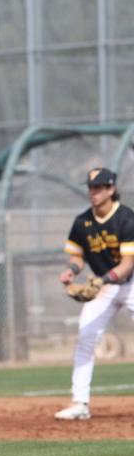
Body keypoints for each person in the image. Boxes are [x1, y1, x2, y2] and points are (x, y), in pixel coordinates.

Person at [56, 167, 134, 420]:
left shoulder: (126, 218)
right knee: (86, 336)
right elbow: (77, 256)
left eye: (99, 187)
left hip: (129, 282)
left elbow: (127, 263)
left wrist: (102, 280)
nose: (94, 192)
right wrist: (71, 270)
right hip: (105, 287)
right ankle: (80, 403)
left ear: (111, 189)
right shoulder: (82, 222)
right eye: (91, 187)